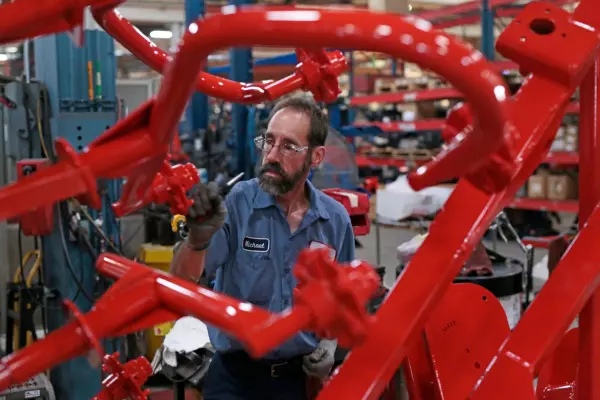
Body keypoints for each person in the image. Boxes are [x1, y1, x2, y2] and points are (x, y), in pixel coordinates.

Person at [170, 96, 356, 400]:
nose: (271, 155)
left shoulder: (334, 221)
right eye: (268, 141)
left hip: (297, 381)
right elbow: (181, 283)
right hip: (233, 378)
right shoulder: (236, 205)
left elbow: (343, 300)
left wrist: (329, 344)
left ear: (317, 156)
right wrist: (196, 240)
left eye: (288, 146)